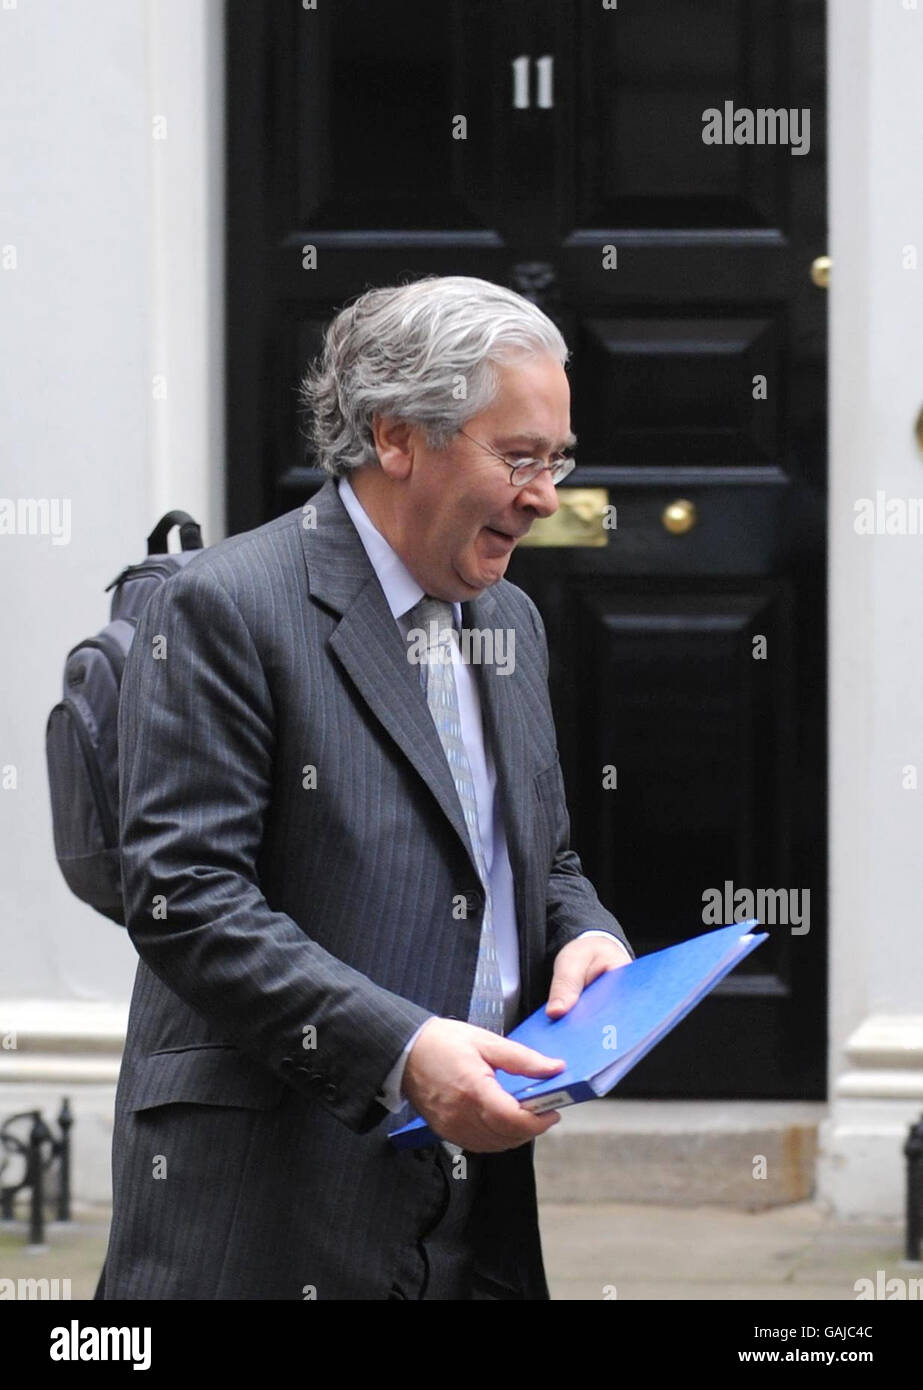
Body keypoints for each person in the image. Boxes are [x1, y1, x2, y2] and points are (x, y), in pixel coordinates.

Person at [96, 274, 634, 1301]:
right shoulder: (225, 606)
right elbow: (185, 899)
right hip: (272, 1205)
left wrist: (583, 935)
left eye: (554, 461)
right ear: (396, 438)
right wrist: (402, 1049)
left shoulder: (508, 620)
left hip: (475, 1214)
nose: (545, 498)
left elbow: (540, 855)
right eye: (517, 457)